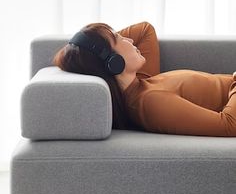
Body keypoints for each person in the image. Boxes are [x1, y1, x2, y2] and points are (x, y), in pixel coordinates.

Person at [53, 21, 236, 136]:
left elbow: (144, 30)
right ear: (113, 62)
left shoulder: (140, 81)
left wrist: (90, 44)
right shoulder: (149, 102)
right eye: (119, 39)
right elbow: (230, 125)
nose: (130, 41)